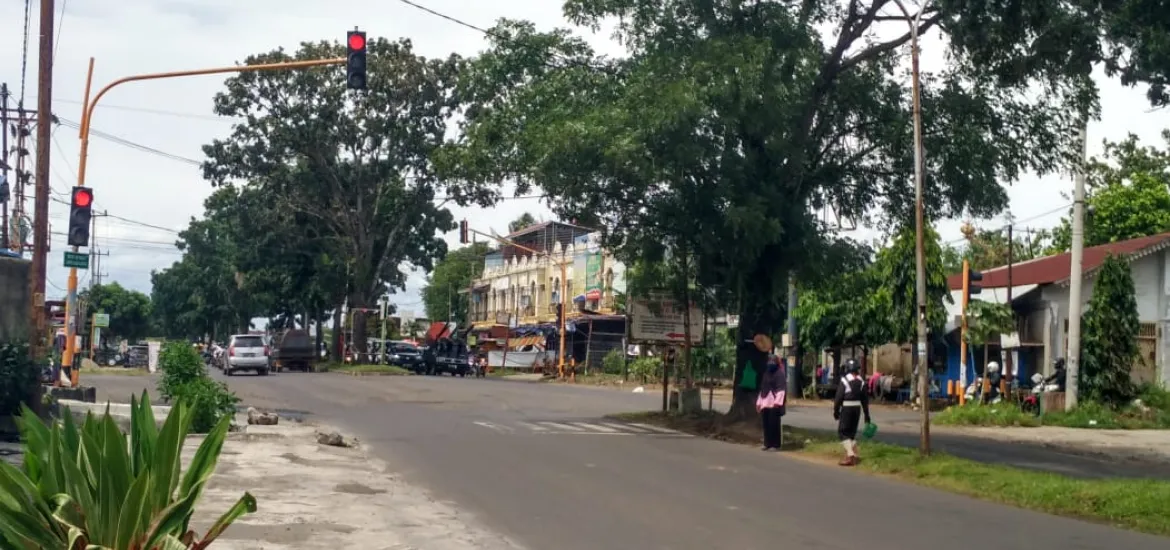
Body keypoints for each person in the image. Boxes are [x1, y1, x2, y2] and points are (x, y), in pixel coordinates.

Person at [833, 358, 871, 466]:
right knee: (851, 434)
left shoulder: (844, 381)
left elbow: (838, 398)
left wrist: (836, 411)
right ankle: (854, 454)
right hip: (857, 409)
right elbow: (865, 400)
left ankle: (850, 455)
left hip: (847, 408)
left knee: (842, 433)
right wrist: (867, 415)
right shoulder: (862, 382)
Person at [757, 355, 787, 451]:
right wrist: (759, 402)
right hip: (765, 402)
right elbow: (762, 389)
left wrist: (777, 403)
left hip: (775, 403)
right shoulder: (766, 373)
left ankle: (776, 444)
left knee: (774, 424)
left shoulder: (780, 374)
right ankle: (767, 443)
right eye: (769, 362)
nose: (770, 364)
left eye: (773, 362)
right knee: (766, 424)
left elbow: (781, 389)